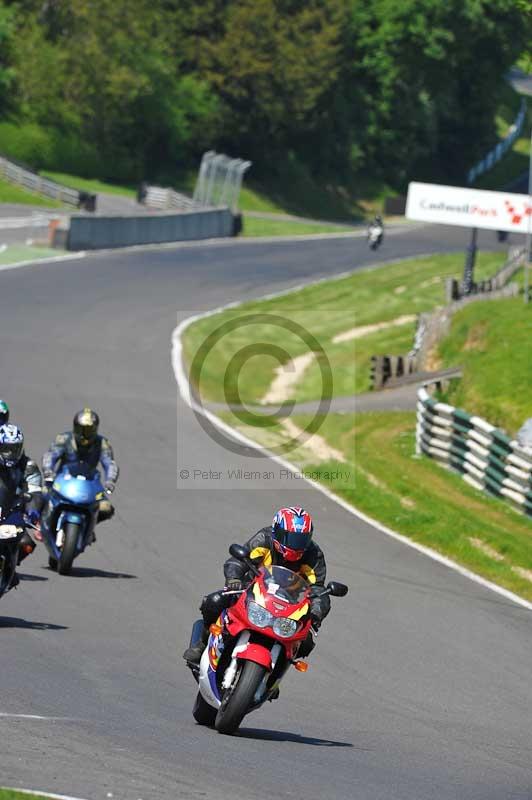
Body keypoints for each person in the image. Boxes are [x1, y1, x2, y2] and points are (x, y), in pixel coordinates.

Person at [183, 505, 330, 665]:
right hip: (251, 592)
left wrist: (315, 614)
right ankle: (203, 643)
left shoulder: (313, 555)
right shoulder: (264, 539)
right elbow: (238, 560)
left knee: (305, 642)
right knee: (215, 601)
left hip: (288, 607)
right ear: (278, 533)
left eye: (302, 540)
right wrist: (234, 580)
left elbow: (318, 589)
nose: (297, 545)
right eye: (292, 539)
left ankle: (272, 679)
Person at [42, 409, 119, 533]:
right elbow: (50, 455)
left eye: (88, 430)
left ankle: (88, 528)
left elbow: (110, 464)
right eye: (81, 429)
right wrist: (48, 471)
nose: (84, 434)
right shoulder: (64, 439)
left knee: (106, 508)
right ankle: (41, 525)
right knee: (43, 494)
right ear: (75, 427)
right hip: (62, 482)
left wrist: (110, 481)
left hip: (89, 484)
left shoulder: (102, 443)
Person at [0, 423, 43, 589]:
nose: (10, 453)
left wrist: (33, 511)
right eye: (6, 448)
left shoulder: (28, 466)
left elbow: (35, 491)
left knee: (27, 543)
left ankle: (9, 570)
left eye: (14, 448)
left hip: (12, 511)